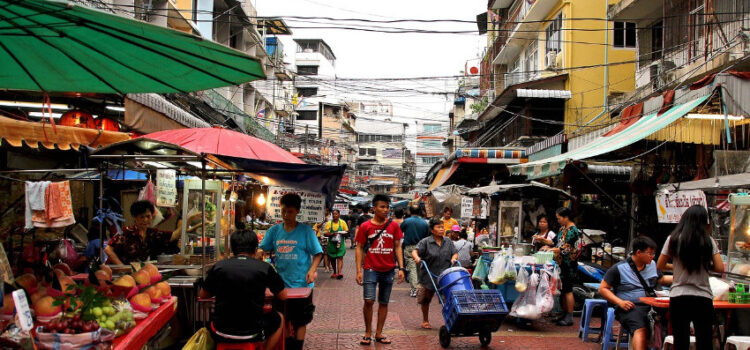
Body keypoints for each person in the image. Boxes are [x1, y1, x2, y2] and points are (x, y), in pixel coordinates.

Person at [200, 230, 286, 349]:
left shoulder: (219, 266)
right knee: (279, 318)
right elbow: (283, 295)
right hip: (252, 332)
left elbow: (203, 295)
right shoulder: (264, 268)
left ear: (232, 249)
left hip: (220, 331)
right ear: (255, 249)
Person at [258, 193, 323, 350]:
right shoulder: (274, 231)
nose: (286, 215)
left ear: (297, 211)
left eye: (290, 211)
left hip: (302, 284)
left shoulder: (306, 231)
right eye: (283, 211)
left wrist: (312, 270)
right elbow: (262, 248)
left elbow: (318, 253)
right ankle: (288, 345)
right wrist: (258, 253)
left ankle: (297, 347)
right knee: (283, 318)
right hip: (281, 285)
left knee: (301, 320)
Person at [656, 205, 723, 350]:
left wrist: (677, 265)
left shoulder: (673, 239)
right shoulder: (709, 241)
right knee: (704, 341)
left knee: (680, 340)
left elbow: (660, 265)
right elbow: (720, 268)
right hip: (702, 297)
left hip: (679, 296)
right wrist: (704, 265)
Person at [599, 236, 672, 350]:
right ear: (638, 252)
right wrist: (620, 302)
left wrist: (683, 278)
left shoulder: (652, 265)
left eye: (654, 254)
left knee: (673, 318)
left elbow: (661, 280)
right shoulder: (618, 268)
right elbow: (603, 289)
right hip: (630, 306)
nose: (652, 257)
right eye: (650, 253)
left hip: (652, 304)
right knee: (640, 328)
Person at [355, 194, 405, 345]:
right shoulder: (365, 226)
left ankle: (378, 333)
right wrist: (358, 270)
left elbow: (397, 247)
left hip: (389, 269)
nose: (385, 210)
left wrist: (401, 268)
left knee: (384, 302)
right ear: (374, 208)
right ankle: (367, 332)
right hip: (370, 268)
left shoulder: (394, 226)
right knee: (369, 300)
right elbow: (359, 248)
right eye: (382, 207)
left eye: (387, 207)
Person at [105, 200, 196, 265]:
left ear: (152, 216)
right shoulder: (125, 233)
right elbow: (108, 249)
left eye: (148, 216)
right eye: (141, 217)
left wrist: (189, 220)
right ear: (135, 218)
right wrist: (121, 266)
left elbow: (174, 235)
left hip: (139, 273)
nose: (145, 220)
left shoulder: (152, 234)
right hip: (121, 275)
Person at [412, 217, 458, 329]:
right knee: (426, 299)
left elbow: (455, 253)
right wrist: (417, 258)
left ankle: (451, 319)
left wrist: (453, 258)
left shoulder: (448, 241)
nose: (441, 229)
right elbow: (415, 251)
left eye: (442, 227)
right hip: (428, 275)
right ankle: (425, 320)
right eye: (438, 227)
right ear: (432, 230)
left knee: (449, 298)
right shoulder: (425, 242)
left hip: (445, 276)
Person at [541, 207, 580, 326]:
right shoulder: (563, 229)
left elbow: (565, 248)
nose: (558, 221)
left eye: (559, 218)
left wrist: (551, 250)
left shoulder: (573, 230)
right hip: (561, 264)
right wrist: (544, 242)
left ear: (566, 217)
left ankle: (570, 316)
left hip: (569, 264)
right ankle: (564, 314)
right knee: (563, 289)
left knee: (568, 289)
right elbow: (556, 242)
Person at [401, 204, 430, 297]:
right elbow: (427, 236)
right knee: (419, 268)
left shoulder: (406, 221)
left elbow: (400, 231)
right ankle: (419, 287)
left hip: (409, 247)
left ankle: (414, 289)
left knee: (412, 268)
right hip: (421, 247)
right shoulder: (425, 223)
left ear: (410, 211)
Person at [324, 209, 348, 279]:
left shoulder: (343, 222)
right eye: (333, 214)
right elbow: (325, 233)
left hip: (340, 244)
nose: (334, 215)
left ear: (339, 214)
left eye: (336, 214)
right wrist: (332, 234)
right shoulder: (329, 223)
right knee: (333, 258)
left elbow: (346, 231)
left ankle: (339, 272)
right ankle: (334, 272)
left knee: (340, 257)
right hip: (331, 244)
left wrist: (342, 233)